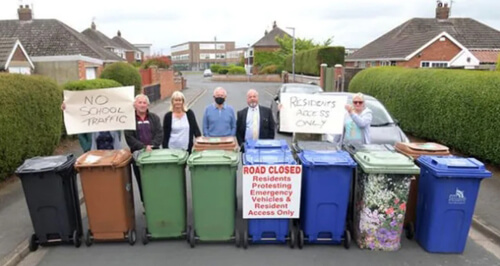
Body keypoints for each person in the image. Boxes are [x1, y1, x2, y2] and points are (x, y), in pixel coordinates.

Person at [124, 94, 163, 202]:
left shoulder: (154, 118)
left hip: (154, 154)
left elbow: (160, 133)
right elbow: (129, 137)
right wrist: (143, 147)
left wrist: (152, 145)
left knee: (155, 180)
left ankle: (156, 201)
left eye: (144, 103)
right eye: (139, 102)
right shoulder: (130, 120)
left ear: (148, 105)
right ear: (135, 105)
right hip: (138, 155)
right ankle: (145, 203)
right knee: (141, 181)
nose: (142, 105)